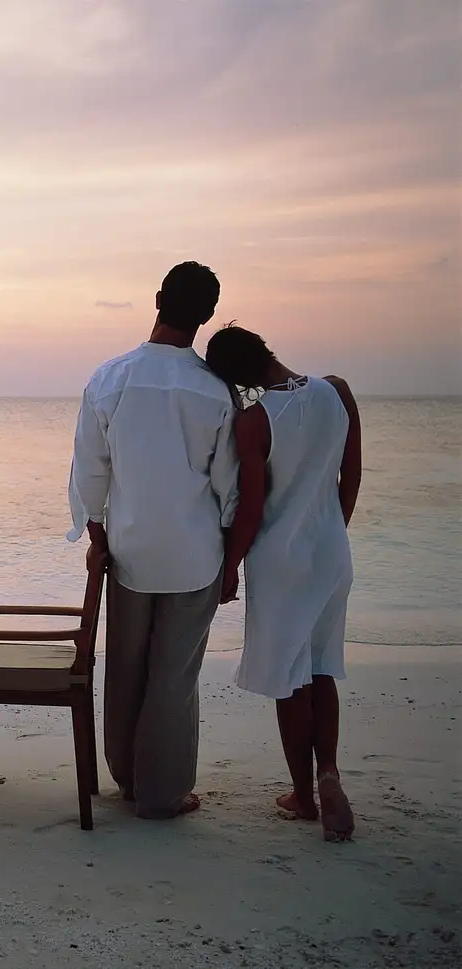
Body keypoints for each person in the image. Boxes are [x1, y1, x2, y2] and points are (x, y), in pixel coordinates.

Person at [67, 261, 238, 820]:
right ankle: (163, 794)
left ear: (158, 298)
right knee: (173, 675)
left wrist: (96, 537)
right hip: (194, 554)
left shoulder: (110, 378)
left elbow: (90, 473)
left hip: (130, 551)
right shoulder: (215, 391)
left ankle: (129, 779)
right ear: (208, 317)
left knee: (126, 666)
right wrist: (233, 558)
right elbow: (229, 487)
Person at [204, 324, 362, 842]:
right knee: (321, 668)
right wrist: (330, 531)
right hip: (331, 552)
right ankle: (329, 772)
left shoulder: (254, 421)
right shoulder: (336, 390)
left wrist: (230, 568)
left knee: (289, 678)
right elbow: (351, 476)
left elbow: (250, 508)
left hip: (280, 560)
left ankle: (302, 795)